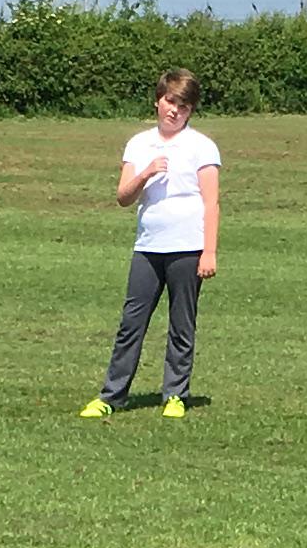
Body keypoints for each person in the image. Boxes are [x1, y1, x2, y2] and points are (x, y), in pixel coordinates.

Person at [79, 70, 219, 418]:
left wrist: (209, 251)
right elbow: (123, 197)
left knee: (181, 324)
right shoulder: (139, 144)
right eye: (171, 102)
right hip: (148, 247)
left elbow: (211, 202)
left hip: (187, 247)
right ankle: (111, 396)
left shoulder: (202, 146)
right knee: (131, 323)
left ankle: (175, 395)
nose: (175, 111)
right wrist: (145, 173)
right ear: (158, 100)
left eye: (184, 106)